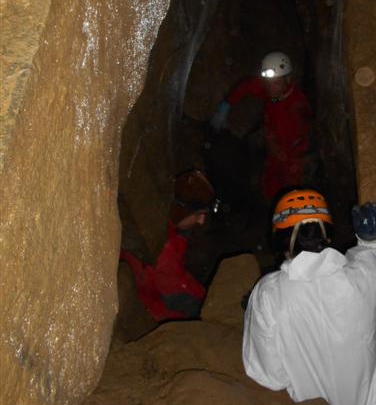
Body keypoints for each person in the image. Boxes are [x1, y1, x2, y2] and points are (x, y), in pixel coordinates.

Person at [242, 189, 376, 405]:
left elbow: (269, 376)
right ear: (327, 234)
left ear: (279, 239)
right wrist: (371, 236)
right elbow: (373, 256)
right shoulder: (361, 277)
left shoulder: (269, 294)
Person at [210, 52, 311, 200]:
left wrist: (288, 159)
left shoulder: (296, 107)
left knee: (288, 198)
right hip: (273, 156)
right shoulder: (275, 93)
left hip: (291, 161)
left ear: (288, 80)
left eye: (276, 83)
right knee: (269, 192)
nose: (271, 88)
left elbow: (303, 141)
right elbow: (248, 86)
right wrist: (226, 105)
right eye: (268, 83)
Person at [120, 170, 216, 321]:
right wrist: (210, 302)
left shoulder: (165, 226)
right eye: (198, 215)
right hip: (152, 308)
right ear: (182, 211)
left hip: (155, 297)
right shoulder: (164, 245)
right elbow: (175, 286)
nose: (201, 221)